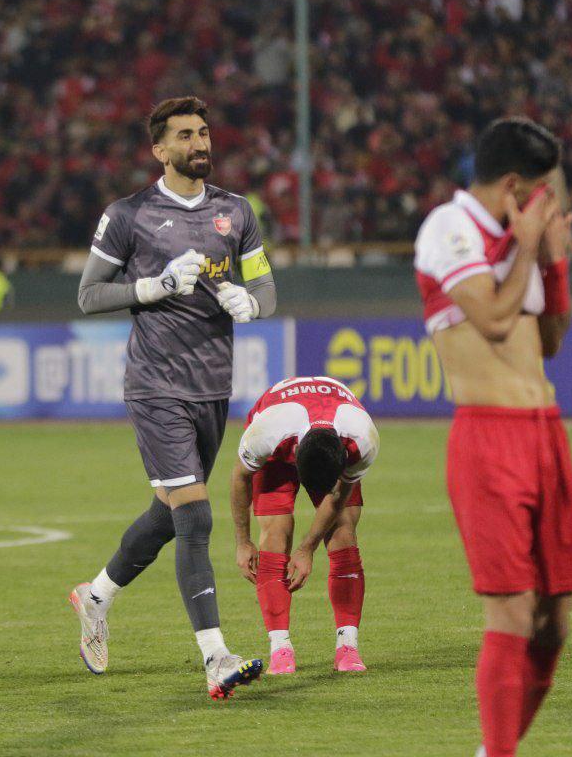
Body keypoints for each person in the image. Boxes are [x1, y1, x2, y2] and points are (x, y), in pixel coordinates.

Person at [68, 95, 276, 699]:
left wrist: (250, 303)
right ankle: (216, 656)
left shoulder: (236, 213)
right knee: (196, 515)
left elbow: (264, 286)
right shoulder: (129, 214)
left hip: (213, 387)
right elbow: (88, 295)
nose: (200, 143)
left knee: (169, 513)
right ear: (159, 150)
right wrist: (152, 287)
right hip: (156, 385)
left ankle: (96, 595)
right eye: (186, 136)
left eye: (205, 132)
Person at [413, 117, 572, 757]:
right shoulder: (449, 226)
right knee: (512, 614)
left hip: (546, 434)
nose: (554, 203)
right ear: (516, 186)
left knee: (555, 620)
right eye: (546, 190)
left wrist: (553, 263)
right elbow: (489, 317)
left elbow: (548, 340)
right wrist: (524, 247)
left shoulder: (521, 239)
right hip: (489, 439)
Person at [230, 376, 378, 674]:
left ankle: (347, 647)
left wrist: (308, 548)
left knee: (343, 533)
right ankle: (280, 649)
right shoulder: (266, 434)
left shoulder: (362, 439)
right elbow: (239, 478)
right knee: (274, 535)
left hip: (330, 435)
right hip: (279, 443)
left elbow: (337, 499)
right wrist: (242, 541)